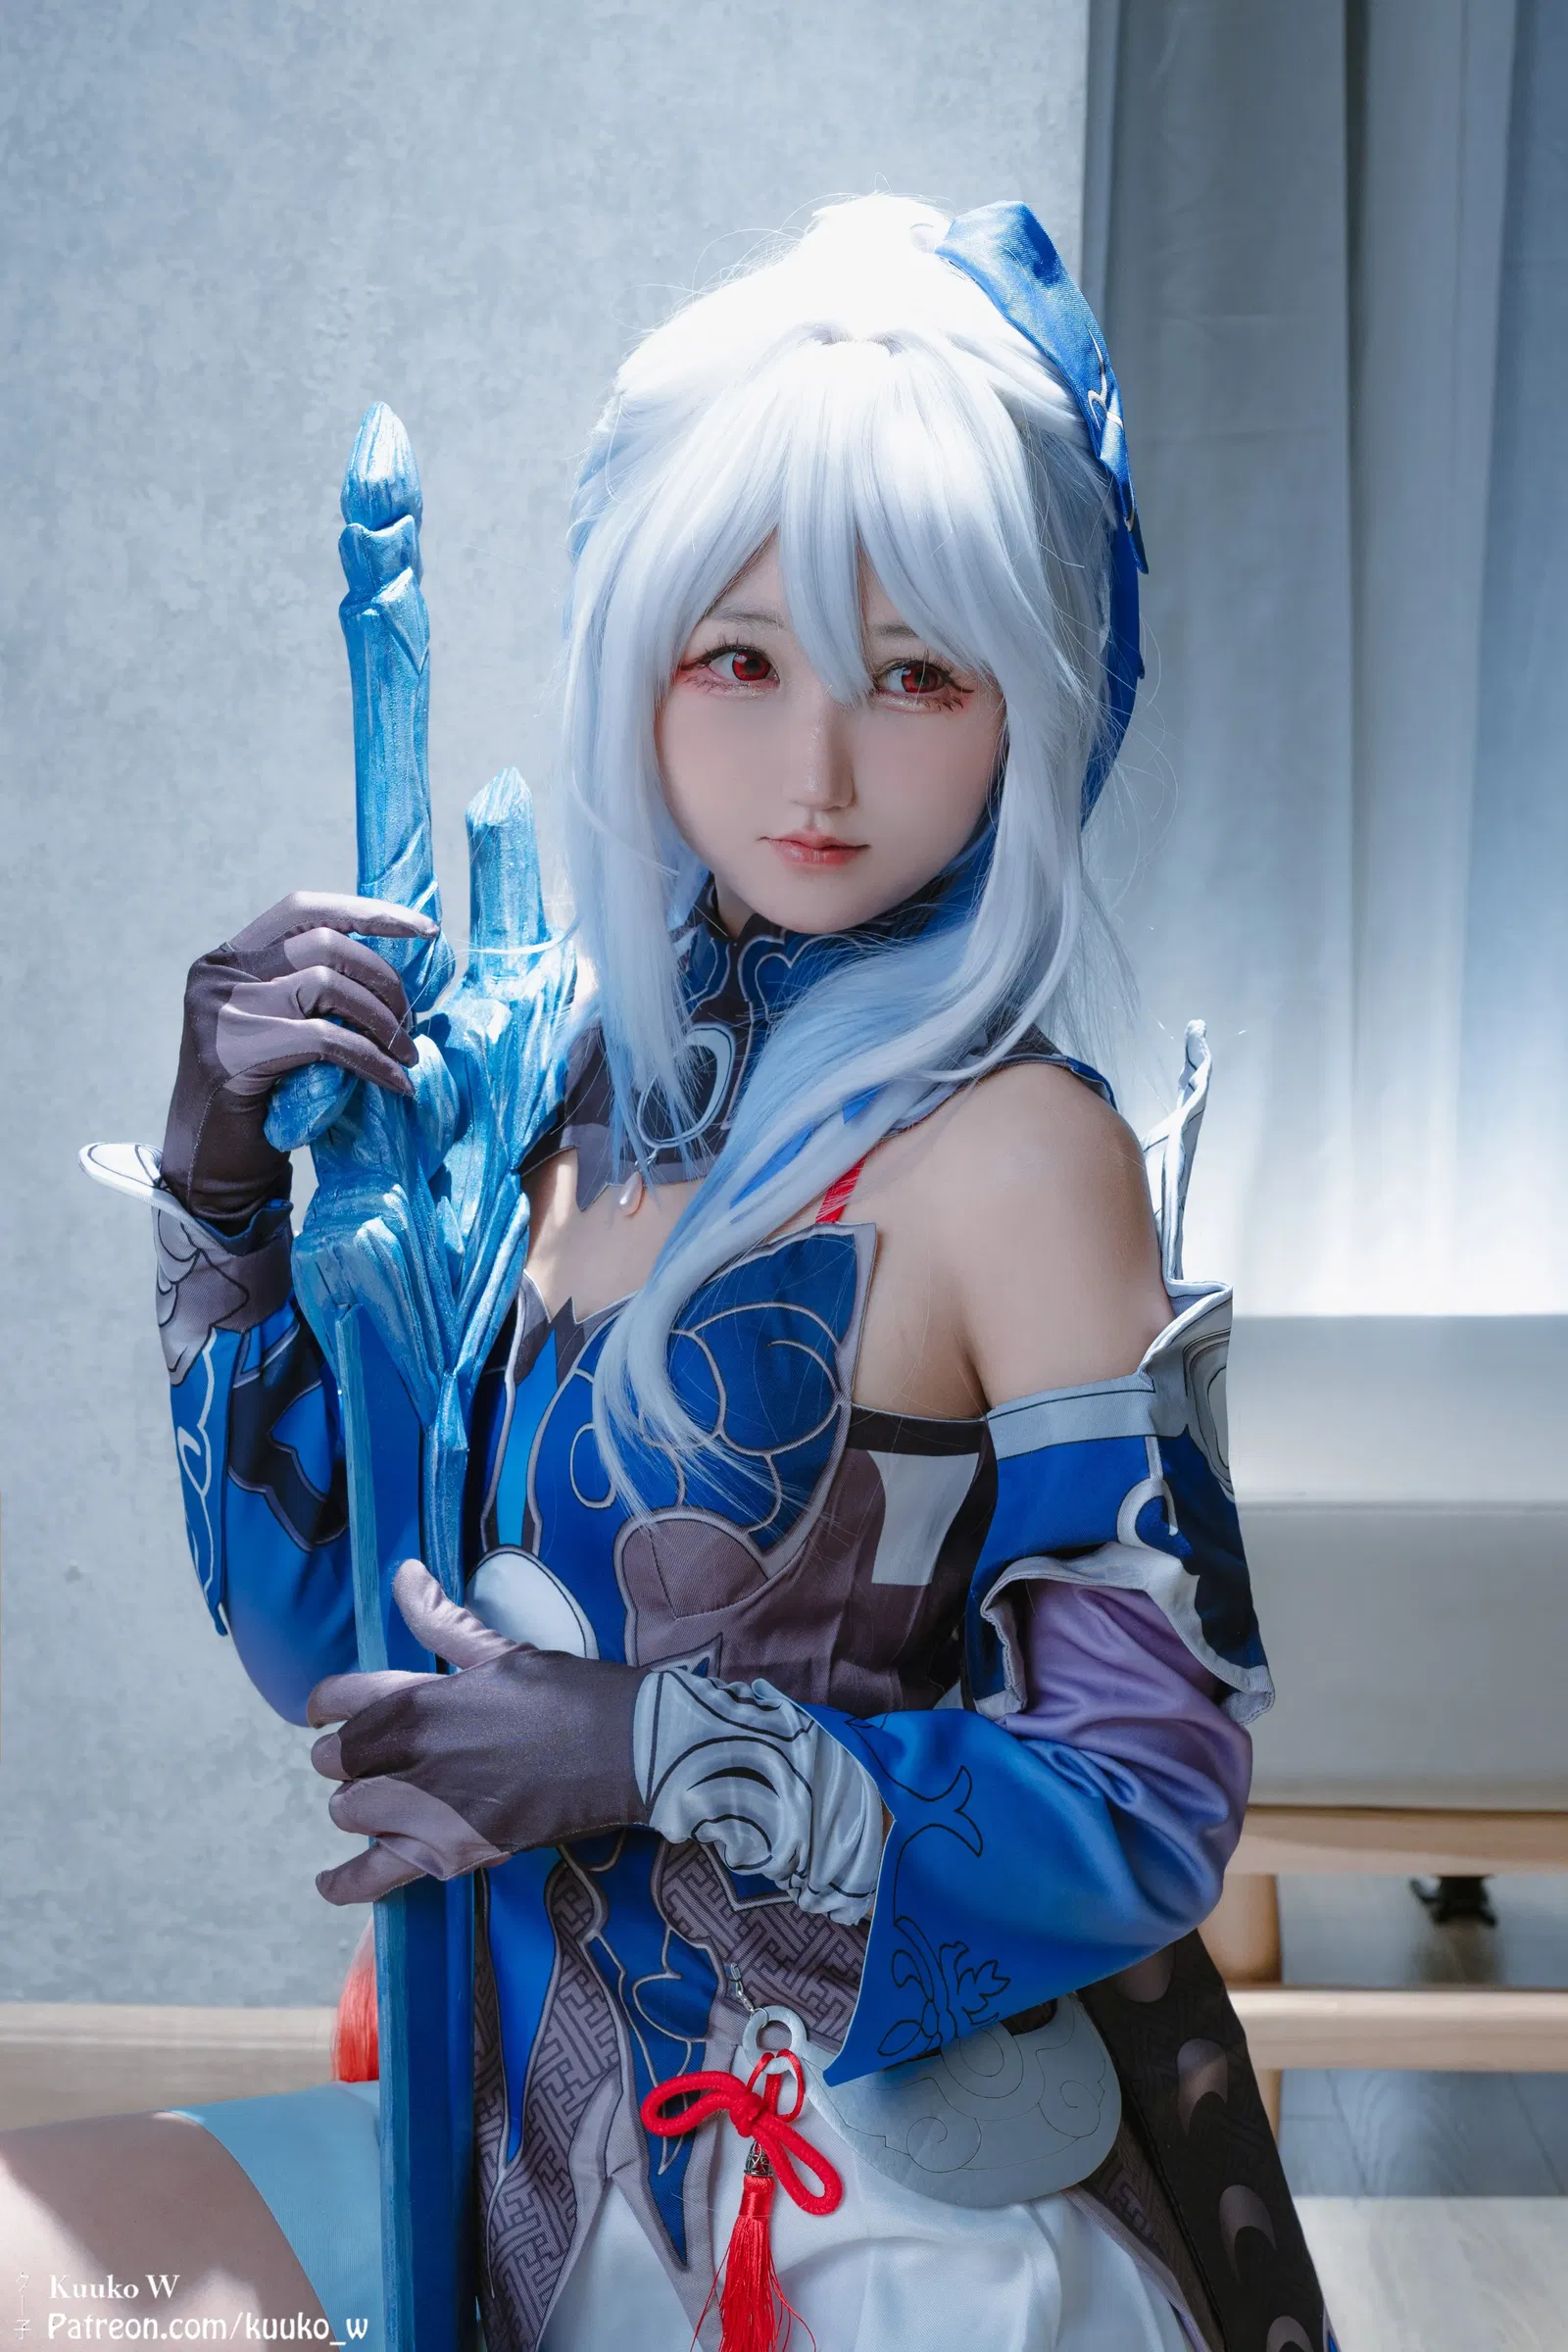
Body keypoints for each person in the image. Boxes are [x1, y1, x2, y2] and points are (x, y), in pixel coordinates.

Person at [17, 196, 1331, 2352]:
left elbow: (1149, 1812)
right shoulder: (545, 1088)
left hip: (858, 2212)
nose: (818, 769)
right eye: (742, 660)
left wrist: (648, 1746)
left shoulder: (1022, 1152)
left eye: (916, 673)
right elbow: (331, 1645)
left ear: (1026, 706)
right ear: (640, 665)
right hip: (509, 2154)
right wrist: (221, 1189)